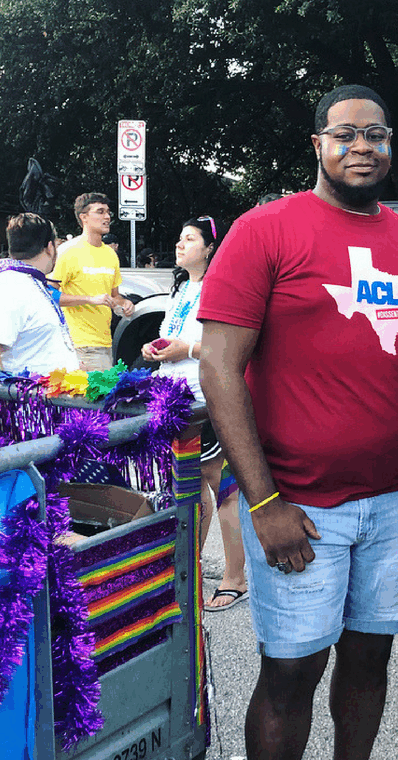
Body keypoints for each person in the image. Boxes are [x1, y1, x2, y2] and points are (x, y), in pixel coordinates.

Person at [198, 84, 398, 760]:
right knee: (289, 673)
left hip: (395, 502)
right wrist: (265, 501)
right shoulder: (266, 230)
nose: (362, 146)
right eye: (346, 135)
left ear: (391, 146)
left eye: (376, 134)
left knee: (371, 665)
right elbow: (219, 368)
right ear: (318, 145)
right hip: (299, 503)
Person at [141, 216, 247, 611]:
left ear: (210, 248)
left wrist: (184, 350)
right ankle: (190, 568)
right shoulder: (183, 287)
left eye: (190, 239)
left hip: (206, 399)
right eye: (179, 238)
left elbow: (230, 346)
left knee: (220, 489)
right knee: (193, 484)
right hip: (177, 398)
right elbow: (176, 336)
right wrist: (157, 349)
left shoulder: (223, 287)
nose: (180, 245)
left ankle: (233, 577)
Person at [52, 193, 134, 371]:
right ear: (84, 217)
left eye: (108, 212)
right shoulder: (68, 251)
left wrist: (125, 303)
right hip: (78, 345)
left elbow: (115, 296)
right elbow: (48, 294)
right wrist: (90, 299)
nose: (107, 217)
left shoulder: (110, 254)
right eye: (100, 212)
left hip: (105, 344)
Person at [0, 213, 79, 374]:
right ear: (49, 247)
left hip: (51, 396)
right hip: (28, 398)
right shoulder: (10, 285)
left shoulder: (28, 282)